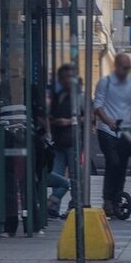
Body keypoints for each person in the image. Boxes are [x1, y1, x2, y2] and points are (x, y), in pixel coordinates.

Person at [93, 52, 131, 212]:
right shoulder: (105, 83)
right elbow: (97, 106)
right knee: (112, 162)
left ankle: (116, 200)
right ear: (116, 66)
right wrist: (108, 121)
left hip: (125, 131)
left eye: (129, 67)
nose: (127, 70)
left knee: (122, 166)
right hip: (107, 130)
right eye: (124, 67)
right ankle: (107, 199)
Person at [45, 62, 82, 218]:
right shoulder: (58, 96)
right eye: (63, 77)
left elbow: (88, 117)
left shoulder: (80, 96)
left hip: (73, 141)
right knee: (57, 175)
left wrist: (68, 122)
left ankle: (72, 207)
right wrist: (52, 121)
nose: (66, 80)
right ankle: (53, 208)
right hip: (58, 141)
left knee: (74, 177)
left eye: (69, 77)